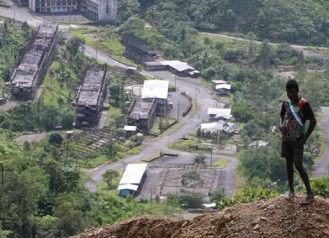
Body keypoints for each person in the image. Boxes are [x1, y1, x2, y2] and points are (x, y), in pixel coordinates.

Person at [279, 79, 317, 205]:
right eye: (289, 92)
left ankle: (309, 194)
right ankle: (291, 191)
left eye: (293, 92)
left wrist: (304, 139)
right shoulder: (286, 103)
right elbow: (281, 114)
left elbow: (313, 121)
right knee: (288, 163)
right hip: (286, 139)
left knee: (298, 164)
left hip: (298, 140)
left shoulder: (304, 104)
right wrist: (281, 125)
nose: (291, 94)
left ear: (298, 91)